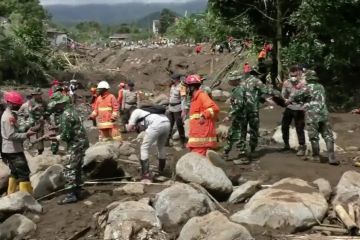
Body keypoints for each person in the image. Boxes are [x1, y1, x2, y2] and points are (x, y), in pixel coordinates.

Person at [288, 70, 339, 165]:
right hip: (324, 113)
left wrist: (288, 100)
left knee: (314, 137)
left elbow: (295, 96)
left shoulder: (306, 88)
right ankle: (331, 156)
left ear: (308, 78)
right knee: (328, 135)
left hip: (312, 115)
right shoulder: (321, 87)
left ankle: (316, 156)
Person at [49, 95, 89, 204]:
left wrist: (56, 137)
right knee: (78, 167)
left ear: (62, 103)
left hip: (75, 144)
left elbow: (66, 134)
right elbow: (72, 126)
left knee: (69, 167)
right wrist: (58, 128)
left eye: (58, 104)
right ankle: (79, 190)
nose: (57, 106)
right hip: (82, 142)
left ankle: (71, 194)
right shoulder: (72, 111)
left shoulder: (65, 114)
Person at [240, 68, 279, 163]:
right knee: (253, 130)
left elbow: (254, 94)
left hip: (242, 109)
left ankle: (242, 151)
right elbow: (266, 90)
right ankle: (252, 151)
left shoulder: (242, 81)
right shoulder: (256, 81)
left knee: (243, 131)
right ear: (256, 74)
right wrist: (277, 92)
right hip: (252, 110)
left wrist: (263, 99)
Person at [1, 91, 36, 194]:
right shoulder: (8, 117)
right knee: (24, 173)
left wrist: (25, 128)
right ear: (10, 103)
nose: (19, 106)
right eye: (17, 105)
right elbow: (11, 135)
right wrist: (26, 135)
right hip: (13, 150)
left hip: (9, 149)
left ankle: (11, 194)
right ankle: (27, 197)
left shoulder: (9, 114)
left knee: (15, 172)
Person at [126, 107, 170, 181]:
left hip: (156, 124)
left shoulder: (135, 112)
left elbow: (129, 128)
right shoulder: (145, 111)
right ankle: (161, 170)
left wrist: (126, 126)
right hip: (166, 122)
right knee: (161, 147)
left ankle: (146, 175)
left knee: (144, 148)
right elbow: (143, 127)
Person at [185, 75, 219, 156]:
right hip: (197, 134)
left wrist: (204, 115)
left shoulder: (202, 95)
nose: (186, 89)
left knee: (199, 158)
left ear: (192, 87)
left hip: (202, 136)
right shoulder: (195, 98)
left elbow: (214, 108)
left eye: (188, 87)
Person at [281, 65, 307, 156]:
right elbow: (283, 95)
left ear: (298, 74)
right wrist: (284, 100)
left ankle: (302, 146)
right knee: (284, 126)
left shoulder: (302, 83)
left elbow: (304, 95)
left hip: (299, 108)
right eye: (291, 75)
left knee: (299, 128)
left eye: (295, 75)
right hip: (289, 108)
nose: (293, 77)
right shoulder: (286, 83)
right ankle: (286, 145)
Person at [223, 71, 246, 160]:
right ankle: (226, 152)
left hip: (240, 117)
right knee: (232, 134)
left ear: (236, 80)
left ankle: (243, 155)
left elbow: (239, 105)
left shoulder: (239, 90)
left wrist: (229, 115)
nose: (229, 82)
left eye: (231, 80)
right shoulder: (238, 89)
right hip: (239, 116)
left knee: (238, 135)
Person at [166, 74, 187, 147]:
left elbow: (183, 99)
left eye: (173, 79)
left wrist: (183, 110)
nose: (172, 80)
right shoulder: (172, 86)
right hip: (171, 108)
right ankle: (166, 141)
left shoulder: (182, 87)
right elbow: (170, 97)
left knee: (179, 125)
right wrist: (168, 107)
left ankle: (183, 141)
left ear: (177, 79)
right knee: (169, 124)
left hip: (178, 108)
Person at [28, 88, 48, 155]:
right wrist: (34, 108)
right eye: (35, 94)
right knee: (30, 134)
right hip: (32, 121)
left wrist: (44, 116)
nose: (36, 96)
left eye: (38, 94)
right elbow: (29, 111)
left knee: (40, 135)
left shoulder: (44, 102)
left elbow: (47, 111)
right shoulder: (31, 101)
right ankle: (30, 148)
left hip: (40, 121)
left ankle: (40, 150)